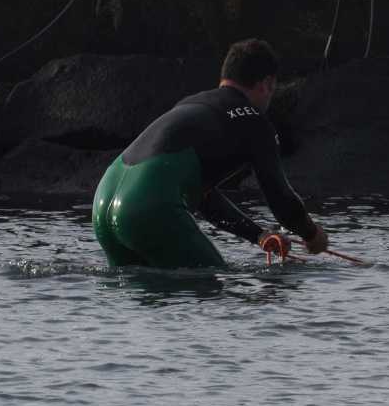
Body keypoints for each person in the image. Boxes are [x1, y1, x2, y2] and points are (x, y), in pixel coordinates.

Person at [91, 38, 327, 269]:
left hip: (104, 200)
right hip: (148, 203)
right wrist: (311, 234)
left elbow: (202, 196)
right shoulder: (256, 123)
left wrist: (259, 236)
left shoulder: (191, 104)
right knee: (208, 281)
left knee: (145, 292)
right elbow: (280, 199)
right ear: (267, 83)